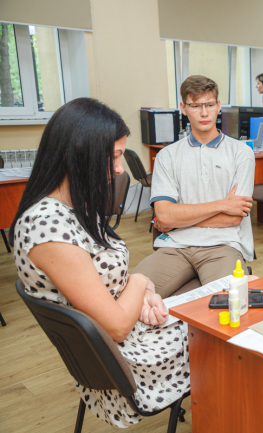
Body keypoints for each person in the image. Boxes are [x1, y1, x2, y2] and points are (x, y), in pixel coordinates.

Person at [10, 98, 190, 428]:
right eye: (115, 156)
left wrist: (145, 293)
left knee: (207, 314)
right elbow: (117, 325)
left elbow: (103, 281)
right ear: (82, 153)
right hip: (125, 363)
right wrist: (140, 283)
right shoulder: (47, 228)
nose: (120, 169)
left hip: (125, 337)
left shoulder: (73, 207)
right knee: (219, 334)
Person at [134, 75, 255, 298]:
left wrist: (177, 218)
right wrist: (222, 205)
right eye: (196, 106)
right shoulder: (167, 156)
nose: (204, 112)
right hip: (175, 246)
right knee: (134, 296)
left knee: (228, 303)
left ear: (218, 106)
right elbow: (164, 216)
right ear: (184, 108)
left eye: (209, 104)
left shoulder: (242, 154)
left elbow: (233, 218)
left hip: (223, 245)